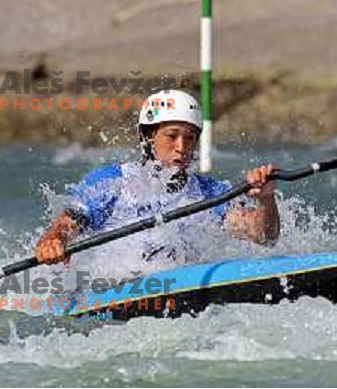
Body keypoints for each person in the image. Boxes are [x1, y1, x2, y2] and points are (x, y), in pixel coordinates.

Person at [35, 88, 280, 265]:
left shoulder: (210, 193)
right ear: (148, 137)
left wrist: (266, 200)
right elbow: (67, 225)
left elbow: (263, 237)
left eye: (190, 138)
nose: (182, 147)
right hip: (116, 288)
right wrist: (54, 242)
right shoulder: (111, 182)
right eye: (172, 136)